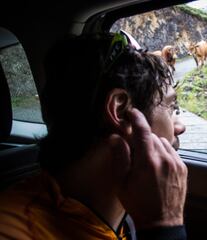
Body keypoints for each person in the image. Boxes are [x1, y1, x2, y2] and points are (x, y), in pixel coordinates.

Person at [0, 32, 188, 240]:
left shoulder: (122, 212)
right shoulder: (12, 231)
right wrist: (165, 226)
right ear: (120, 110)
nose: (180, 126)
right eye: (171, 107)